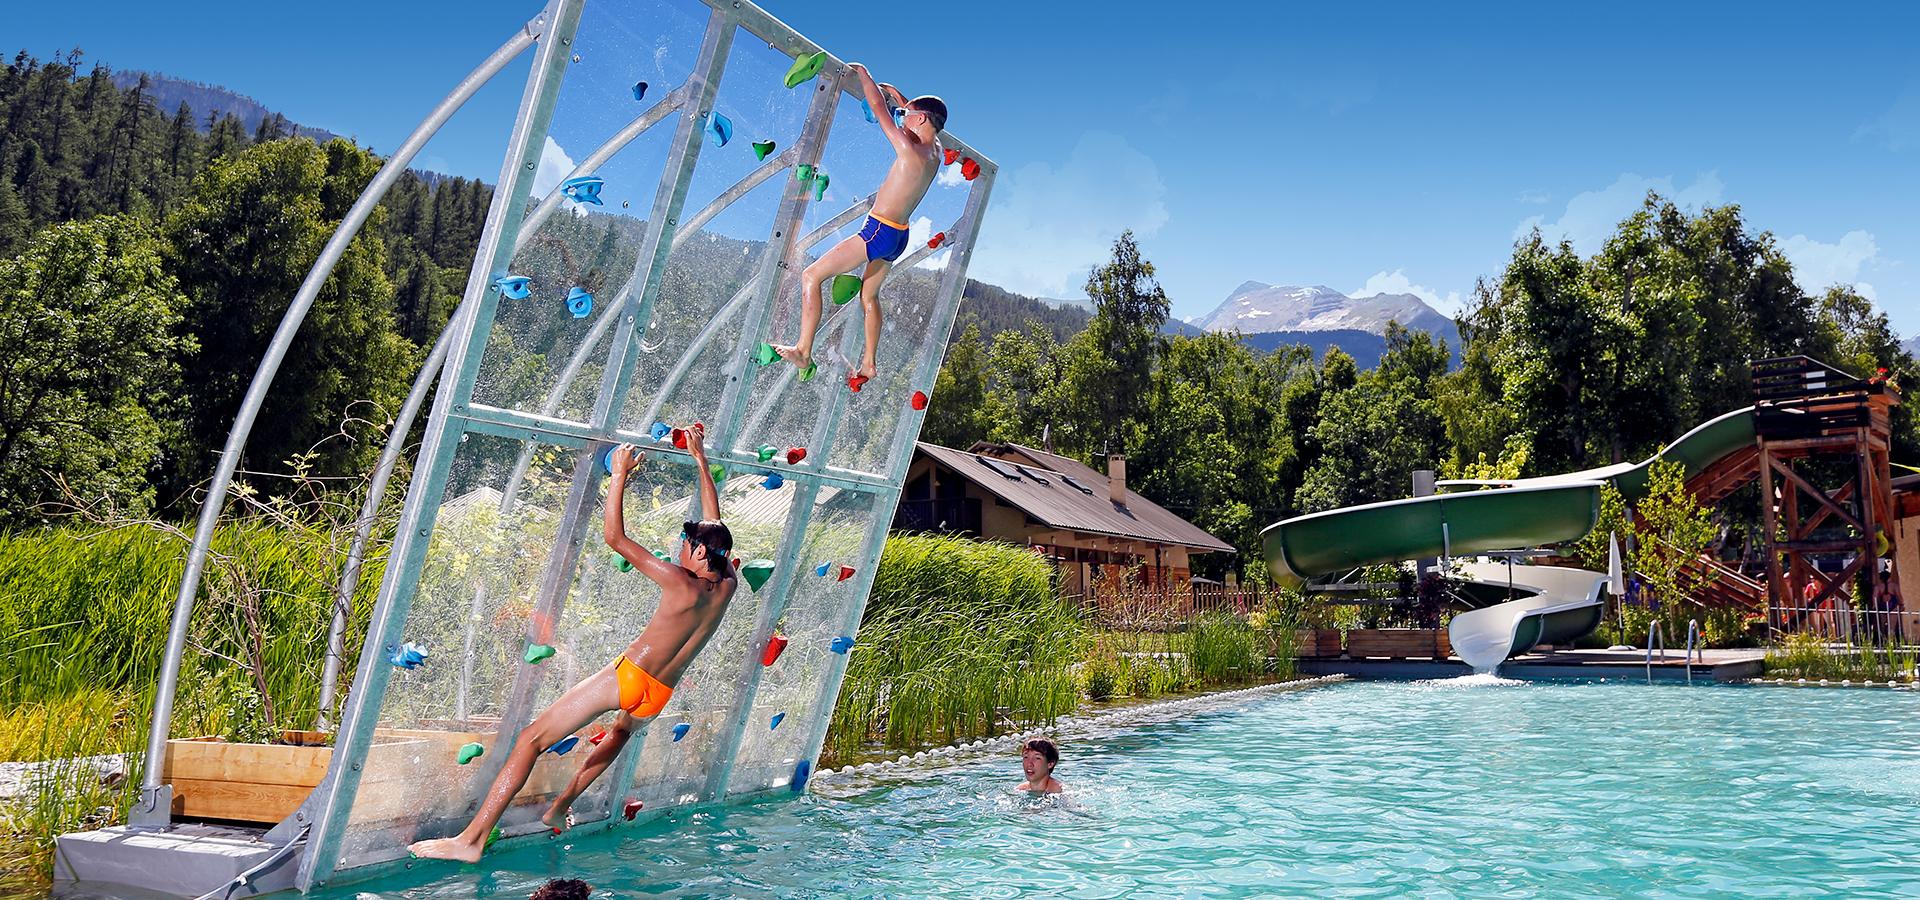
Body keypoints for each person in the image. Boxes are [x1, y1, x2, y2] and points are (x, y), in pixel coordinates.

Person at [409, 425, 738, 862]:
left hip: (627, 677)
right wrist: (699, 459)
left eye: (686, 544)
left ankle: (469, 841)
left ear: (698, 555)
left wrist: (618, 472)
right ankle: (561, 804)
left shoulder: (680, 582)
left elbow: (615, 539)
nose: (680, 548)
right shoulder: (728, 582)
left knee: (530, 739)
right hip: (658, 694)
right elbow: (717, 527)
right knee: (619, 733)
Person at [773, 62, 945, 386]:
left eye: (909, 115)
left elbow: (879, 109)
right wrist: (903, 101)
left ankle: (803, 349)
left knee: (812, 276)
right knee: (868, 297)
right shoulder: (936, 151)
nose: (904, 117)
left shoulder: (908, 149)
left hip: (878, 231)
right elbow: (915, 117)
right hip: (900, 236)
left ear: (920, 120)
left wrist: (864, 74)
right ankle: (869, 362)